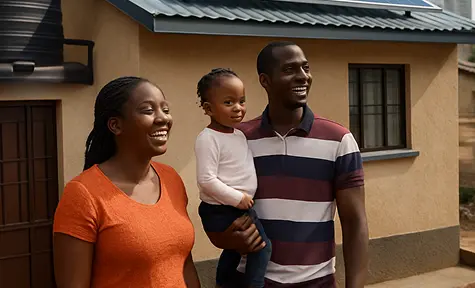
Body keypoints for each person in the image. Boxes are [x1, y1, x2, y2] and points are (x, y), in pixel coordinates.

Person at [205, 41, 369, 288]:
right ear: (265, 80)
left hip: (316, 283)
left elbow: (354, 221)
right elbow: (214, 206)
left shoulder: (339, 140)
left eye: (305, 68)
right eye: (289, 70)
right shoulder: (239, 139)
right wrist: (222, 238)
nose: (302, 76)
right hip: (249, 280)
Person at [52, 76, 200, 288]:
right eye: (148, 110)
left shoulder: (171, 179)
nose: (163, 119)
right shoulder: (83, 194)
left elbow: (184, 263)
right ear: (115, 125)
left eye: (165, 110)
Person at [194, 68, 272, 288]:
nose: (238, 108)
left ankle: (223, 283)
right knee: (262, 247)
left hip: (237, 206)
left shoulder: (238, 134)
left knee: (236, 250)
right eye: (229, 103)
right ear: (209, 109)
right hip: (222, 208)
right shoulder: (208, 138)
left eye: (242, 101)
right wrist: (238, 198)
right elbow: (206, 180)